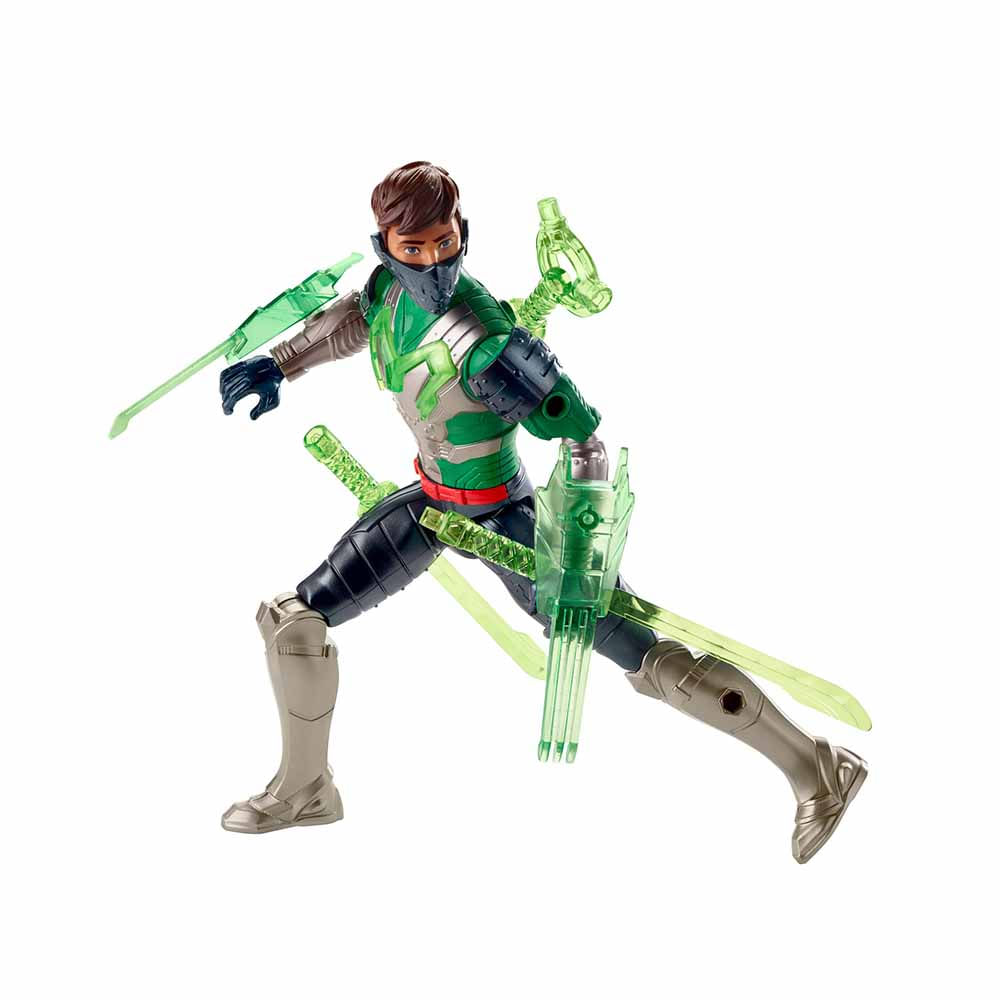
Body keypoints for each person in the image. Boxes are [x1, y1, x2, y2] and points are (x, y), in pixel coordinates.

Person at [218, 161, 866, 862]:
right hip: (433, 506)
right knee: (293, 620)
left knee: (647, 658)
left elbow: (583, 437)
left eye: (443, 242)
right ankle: (307, 788)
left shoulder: (487, 342)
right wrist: (277, 364)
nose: (432, 262)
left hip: (506, 520)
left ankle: (815, 766)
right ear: (385, 247)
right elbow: (348, 321)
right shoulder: (386, 294)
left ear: (462, 233)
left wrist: (580, 550)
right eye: (414, 248)